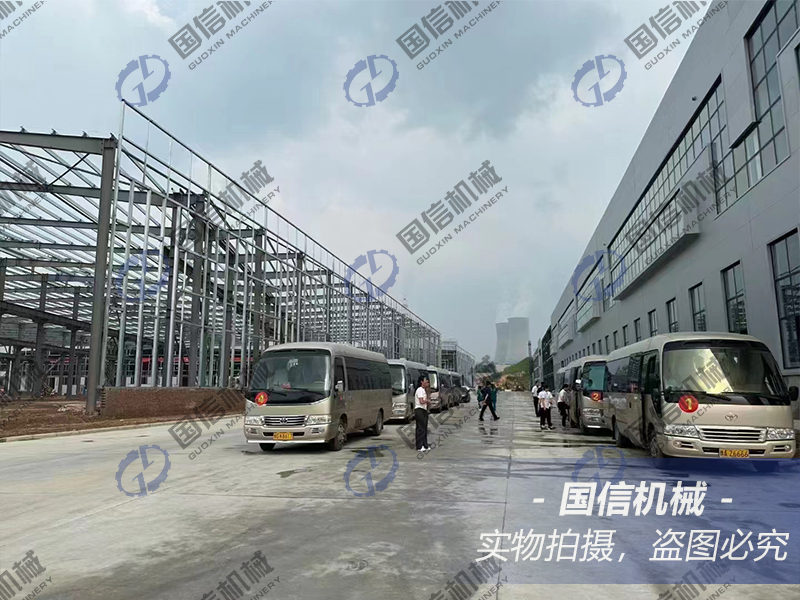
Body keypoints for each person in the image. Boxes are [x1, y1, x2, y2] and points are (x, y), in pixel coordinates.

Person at [414, 376, 431, 451]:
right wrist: (427, 401)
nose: (427, 382)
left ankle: (425, 445)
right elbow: (421, 401)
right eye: (425, 380)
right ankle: (419, 446)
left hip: (423, 410)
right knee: (420, 428)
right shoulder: (420, 390)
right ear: (421, 382)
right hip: (419, 410)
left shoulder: (423, 390)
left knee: (424, 428)